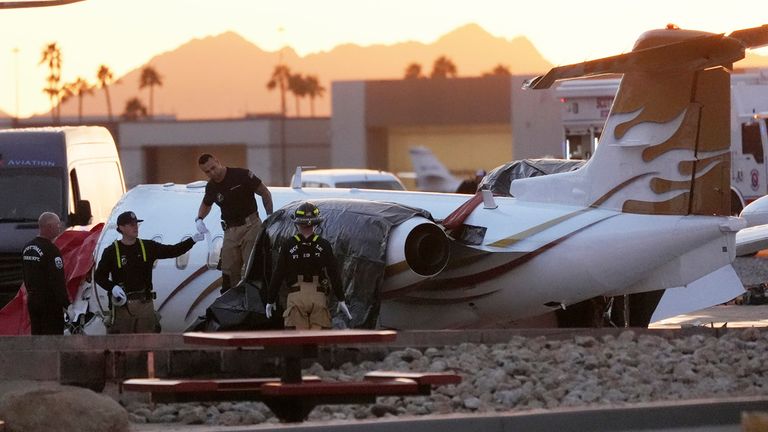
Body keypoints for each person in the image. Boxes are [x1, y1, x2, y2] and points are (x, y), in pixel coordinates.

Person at [95, 211, 204, 334]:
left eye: (136, 224)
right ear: (121, 228)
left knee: (148, 342)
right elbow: (99, 276)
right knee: (123, 345)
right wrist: (112, 287)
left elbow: (172, 251)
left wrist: (192, 240)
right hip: (123, 307)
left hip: (145, 304)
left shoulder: (147, 246)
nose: (136, 227)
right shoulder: (111, 251)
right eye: (131, 225)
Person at [265, 202, 352, 330]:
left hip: (296, 296)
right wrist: (341, 298)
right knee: (318, 338)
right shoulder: (324, 245)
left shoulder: (288, 245)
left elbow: (278, 273)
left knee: (298, 340)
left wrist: (270, 300)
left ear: (297, 223)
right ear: (316, 224)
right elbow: (334, 273)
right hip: (319, 296)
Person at [195, 153, 273, 293]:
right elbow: (206, 203)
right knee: (229, 271)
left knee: (252, 267)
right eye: (207, 171)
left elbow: (264, 192)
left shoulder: (241, 175)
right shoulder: (211, 187)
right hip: (230, 231)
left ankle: (256, 301)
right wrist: (199, 218)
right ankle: (230, 304)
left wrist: (269, 215)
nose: (212, 172)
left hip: (251, 226)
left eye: (213, 167)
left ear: (218, 162)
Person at [21, 212, 70, 335]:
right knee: (53, 337)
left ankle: (37, 355)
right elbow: (57, 280)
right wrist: (66, 304)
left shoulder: (27, 248)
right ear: (49, 227)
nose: (59, 228)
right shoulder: (52, 250)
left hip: (33, 300)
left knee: (37, 334)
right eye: (57, 225)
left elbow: (26, 274)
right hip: (50, 303)